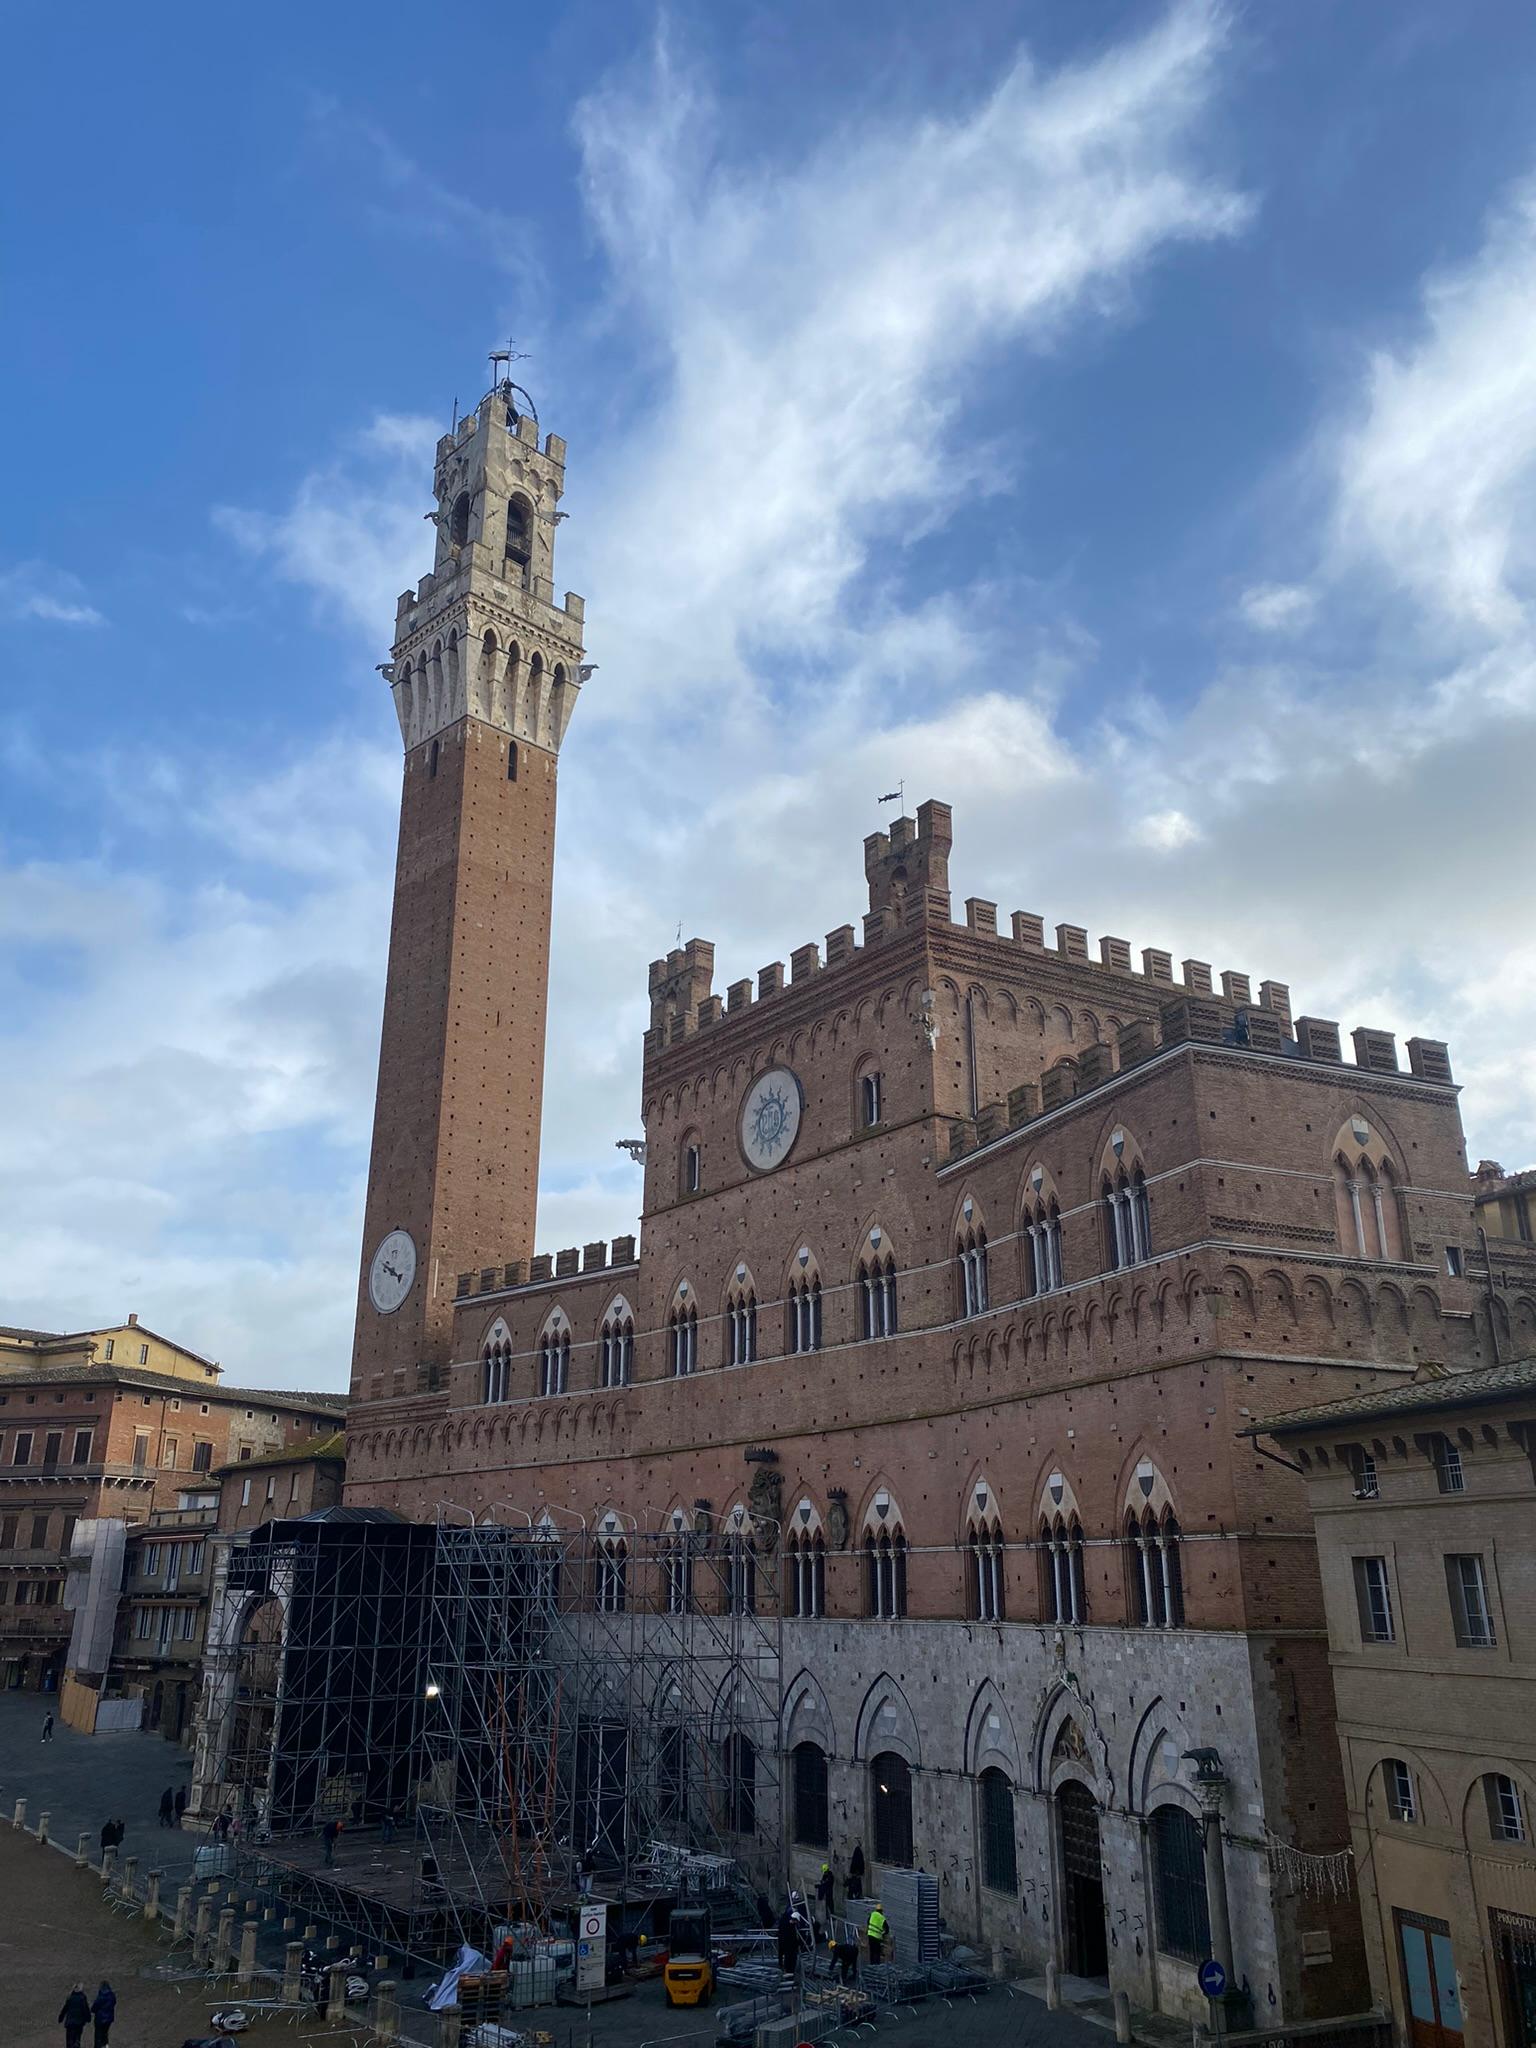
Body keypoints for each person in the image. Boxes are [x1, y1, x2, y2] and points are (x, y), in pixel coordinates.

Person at [89, 1981, 116, 2048]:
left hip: (99, 2019)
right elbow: (114, 2003)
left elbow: (94, 2007)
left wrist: (93, 2010)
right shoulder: (112, 1996)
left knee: (98, 2035)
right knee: (105, 2033)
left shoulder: (100, 1997)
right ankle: (106, 2045)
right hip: (108, 2019)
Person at [776, 1904, 800, 1978]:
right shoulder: (789, 1926)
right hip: (788, 1945)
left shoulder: (784, 1920)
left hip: (784, 1943)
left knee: (785, 1956)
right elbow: (792, 1938)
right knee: (789, 1958)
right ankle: (789, 1972)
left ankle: (786, 1969)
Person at [816, 1861, 836, 1935]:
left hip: (829, 1892)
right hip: (826, 1893)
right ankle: (828, 1917)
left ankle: (832, 1917)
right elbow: (823, 1881)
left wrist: (823, 1883)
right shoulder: (825, 1875)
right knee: (826, 1905)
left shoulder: (830, 1876)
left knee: (830, 1904)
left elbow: (828, 1883)